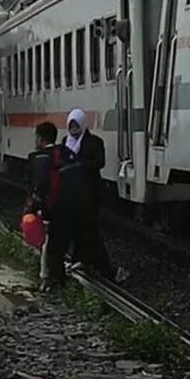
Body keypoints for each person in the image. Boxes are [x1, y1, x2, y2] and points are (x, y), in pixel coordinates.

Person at [61, 108, 118, 281]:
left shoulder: (94, 142)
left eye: (76, 125)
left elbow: (100, 162)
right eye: (71, 125)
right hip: (72, 193)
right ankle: (82, 261)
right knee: (78, 228)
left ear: (83, 124)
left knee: (90, 229)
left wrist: (80, 165)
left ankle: (104, 269)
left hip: (90, 193)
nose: (73, 128)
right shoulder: (65, 141)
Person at [26, 122, 66, 291]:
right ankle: (56, 276)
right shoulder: (62, 153)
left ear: (40, 139)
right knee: (57, 241)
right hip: (64, 202)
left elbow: (40, 184)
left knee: (46, 242)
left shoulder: (38, 157)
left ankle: (46, 278)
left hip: (48, 204)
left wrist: (33, 206)